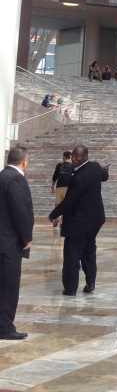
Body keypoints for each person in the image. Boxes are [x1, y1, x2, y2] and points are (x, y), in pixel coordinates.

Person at [49, 145, 108, 295]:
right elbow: (104, 176)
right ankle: (90, 282)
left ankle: (70, 288)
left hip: (78, 222)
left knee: (72, 255)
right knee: (89, 250)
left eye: (78, 157)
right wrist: (106, 170)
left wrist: (53, 214)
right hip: (95, 219)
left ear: (86, 156)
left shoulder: (79, 178)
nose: (74, 159)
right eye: (73, 156)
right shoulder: (95, 167)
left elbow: (69, 201)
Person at [0, 146, 33, 340]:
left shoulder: (2, 176)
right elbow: (21, 211)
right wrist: (26, 236)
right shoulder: (15, 179)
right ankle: (5, 327)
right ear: (25, 161)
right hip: (9, 242)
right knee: (9, 286)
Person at [50, 150, 74, 228]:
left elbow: (55, 176)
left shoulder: (59, 165)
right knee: (66, 205)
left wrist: (52, 186)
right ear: (70, 158)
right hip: (68, 188)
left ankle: (57, 217)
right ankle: (63, 222)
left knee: (57, 204)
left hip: (59, 187)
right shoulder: (72, 166)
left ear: (63, 157)